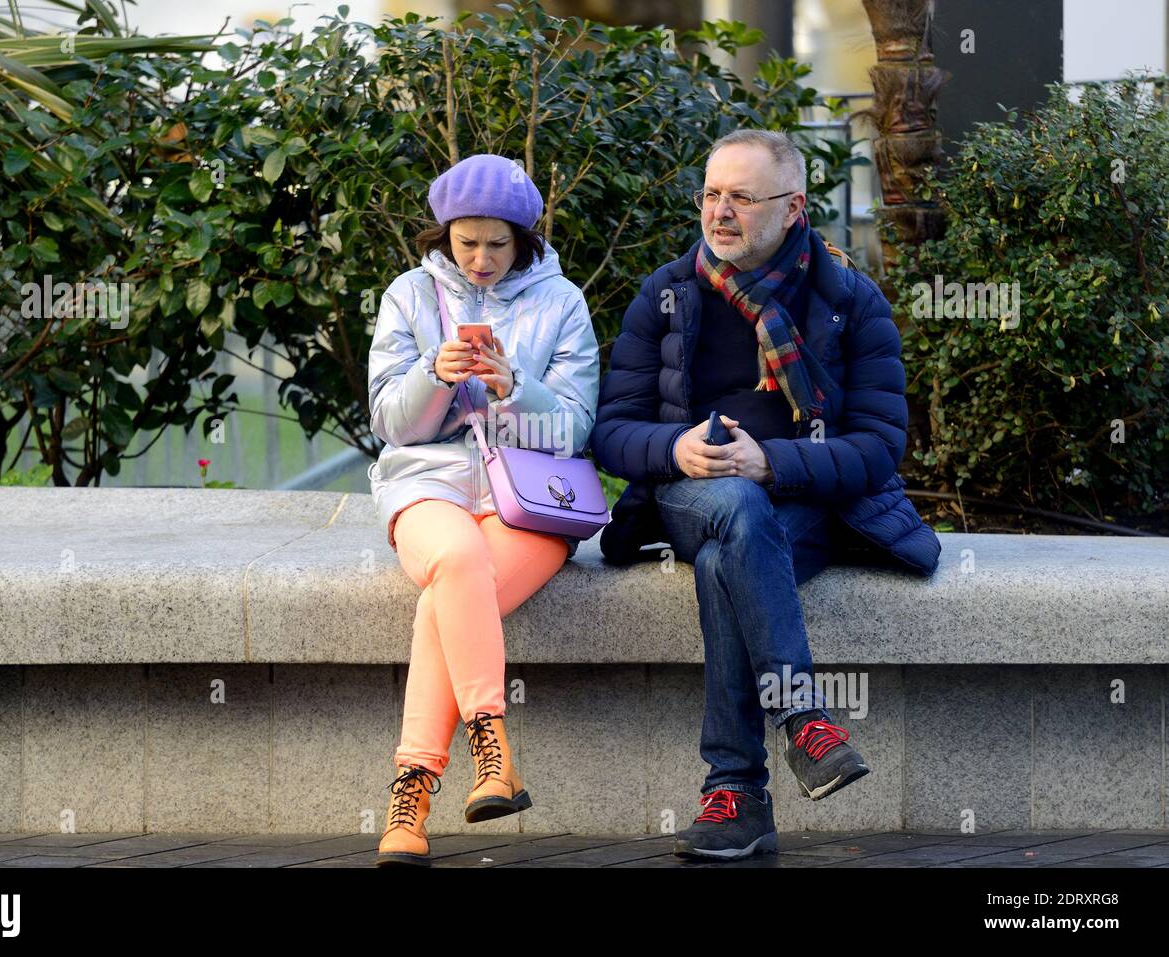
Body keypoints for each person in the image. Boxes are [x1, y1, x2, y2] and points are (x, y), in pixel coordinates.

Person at [591, 129, 941, 860]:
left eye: (742, 198)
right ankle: (804, 717)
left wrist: (772, 463)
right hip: (689, 495)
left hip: (806, 505)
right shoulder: (665, 294)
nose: (720, 212)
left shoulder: (850, 300)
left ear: (793, 207)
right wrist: (674, 447)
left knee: (730, 555)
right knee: (734, 511)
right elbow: (612, 433)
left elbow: (880, 447)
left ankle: (735, 795)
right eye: (711, 194)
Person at [365, 153, 600, 866]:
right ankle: (491, 746)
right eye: (466, 242)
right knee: (458, 559)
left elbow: (573, 430)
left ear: (523, 241)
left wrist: (514, 388)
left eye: (498, 243)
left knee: (445, 603)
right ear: (444, 235)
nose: (481, 258)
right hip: (427, 484)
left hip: (531, 502)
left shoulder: (562, 303)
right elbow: (389, 423)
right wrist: (432, 377)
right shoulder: (409, 295)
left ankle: (412, 794)